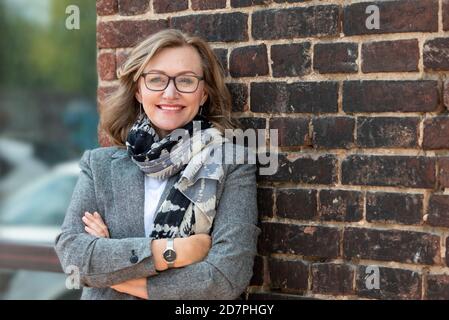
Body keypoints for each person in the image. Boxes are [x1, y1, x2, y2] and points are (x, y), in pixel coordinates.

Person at [54, 29, 260, 300]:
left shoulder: (231, 163)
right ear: (138, 90)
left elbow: (225, 277)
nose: (170, 93)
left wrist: (116, 270)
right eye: (156, 80)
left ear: (204, 94)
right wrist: (173, 251)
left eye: (186, 81)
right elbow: (72, 256)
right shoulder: (99, 165)